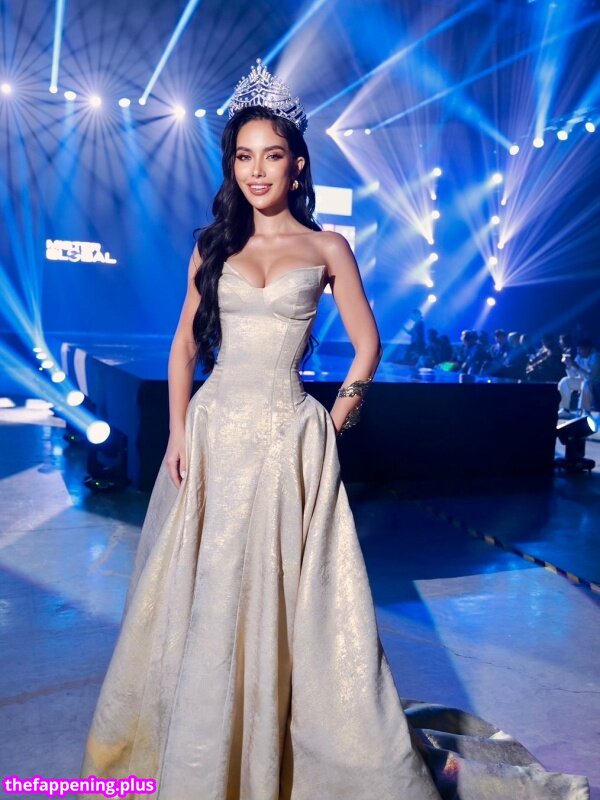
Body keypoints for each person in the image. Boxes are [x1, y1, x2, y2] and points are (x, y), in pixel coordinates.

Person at [78, 60, 590, 800]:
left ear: (298, 164)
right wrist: (181, 432)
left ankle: (280, 735)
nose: (257, 171)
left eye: (272, 155)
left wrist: (333, 418)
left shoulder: (327, 250)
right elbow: (184, 345)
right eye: (243, 156)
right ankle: (204, 741)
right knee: (205, 590)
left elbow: (368, 344)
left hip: (288, 442)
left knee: (285, 595)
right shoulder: (213, 246)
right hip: (217, 436)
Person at [558, 336, 600, 417]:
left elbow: (591, 377)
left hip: (596, 383)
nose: (578, 352)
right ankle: (565, 409)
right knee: (565, 381)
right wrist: (569, 366)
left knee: (586, 383)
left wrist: (576, 367)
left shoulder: (596, 357)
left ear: (588, 348)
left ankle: (585, 411)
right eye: (578, 349)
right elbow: (572, 376)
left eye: (581, 349)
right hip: (584, 381)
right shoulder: (579, 357)